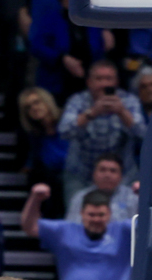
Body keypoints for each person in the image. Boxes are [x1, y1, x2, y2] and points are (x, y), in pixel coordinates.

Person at [60, 60, 146, 194]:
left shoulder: (129, 101)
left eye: (108, 79)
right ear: (89, 82)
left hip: (123, 175)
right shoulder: (77, 100)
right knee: (77, 214)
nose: (104, 84)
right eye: (99, 79)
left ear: (116, 82)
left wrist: (122, 112)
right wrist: (92, 112)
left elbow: (143, 135)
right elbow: (64, 131)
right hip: (81, 174)